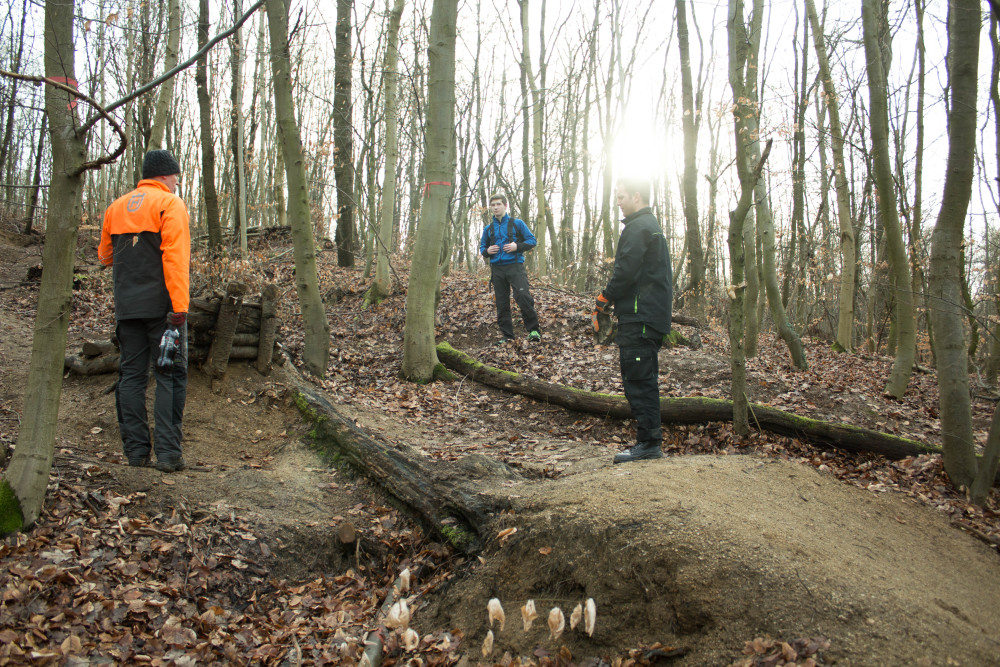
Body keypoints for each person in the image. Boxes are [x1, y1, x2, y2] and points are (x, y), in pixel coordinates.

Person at [99, 149, 191, 473]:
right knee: (169, 374)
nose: (177, 183)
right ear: (166, 175)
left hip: (127, 306)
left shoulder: (115, 207)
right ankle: (168, 455)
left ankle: (136, 454)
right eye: (176, 177)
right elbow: (175, 259)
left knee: (131, 377)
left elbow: (105, 257)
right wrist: (179, 308)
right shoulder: (169, 204)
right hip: (164, 309)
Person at [594, 177, 673, 464]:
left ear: (637, 197)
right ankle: (648, 441)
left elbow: (625, 272)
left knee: (639, 380)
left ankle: (649, 444)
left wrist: (605, 298)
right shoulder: (649, 226)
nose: (618, 201)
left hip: (640, 316)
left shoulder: (639, 227)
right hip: (648, 315)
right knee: (642, 378)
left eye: (622, 196)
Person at [479, 194, 542, 344]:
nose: (495, 207)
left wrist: (517, 246)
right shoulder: (488, 229)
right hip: (497, 270)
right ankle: (507, 336)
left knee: (523, 297)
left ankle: (533, 331)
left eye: (498, 204)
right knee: (501, 303)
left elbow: (532, 241)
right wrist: (487, 251)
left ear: (505, 206)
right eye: (493, 205)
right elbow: (482, 248)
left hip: (515, 267)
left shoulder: (517, 223)